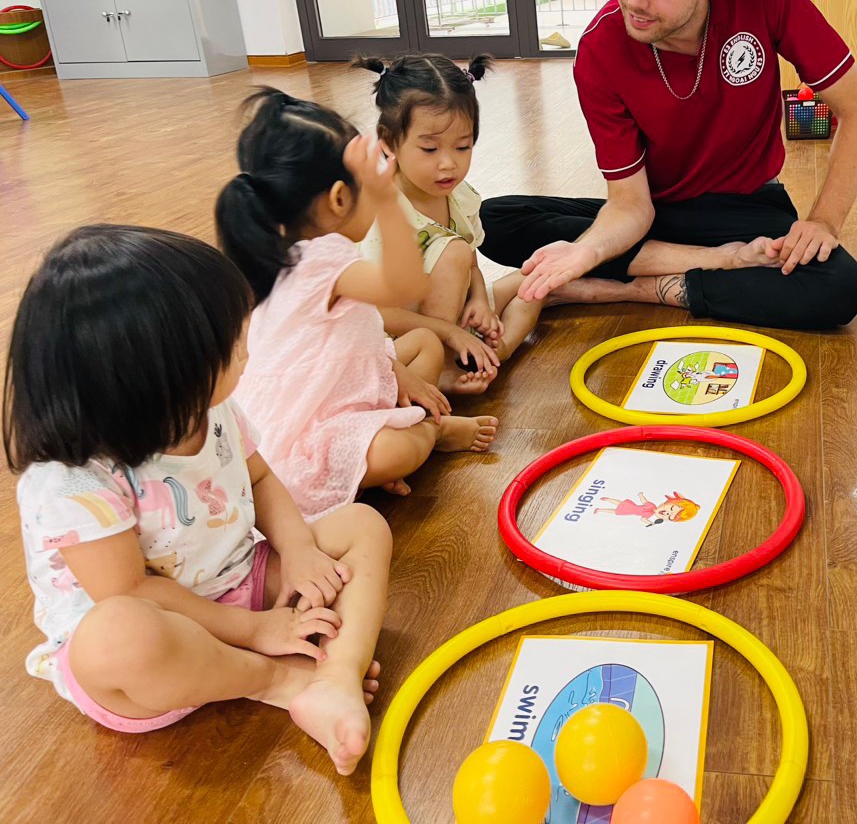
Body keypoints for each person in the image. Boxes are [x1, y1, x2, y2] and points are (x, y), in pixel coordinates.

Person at [3, 225, 391, 775]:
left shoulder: (210, 409)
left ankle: (337, 677)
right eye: (231, 345)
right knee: (119, 637)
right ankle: (277, 681)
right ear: (157, 380)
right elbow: (133, 591)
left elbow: (260, 477)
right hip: (164, 640)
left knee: (361, 525)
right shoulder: (73, 480)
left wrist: (300, 550)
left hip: (238, 578)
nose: (247, 351)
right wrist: (256, 633)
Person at [479, 0, 857, 330]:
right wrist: (587, 250)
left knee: (840, 286)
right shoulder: (599, 48)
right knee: (494, 220)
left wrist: (824, 222)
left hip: (749, 209)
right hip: (653, 216)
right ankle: (702, 267)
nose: (635, 0)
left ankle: (623, 288)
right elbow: (630, 205)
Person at [215, 89, 498, 515]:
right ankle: (433, 434)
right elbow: (405, 286)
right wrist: (387, 201)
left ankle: (382, 453)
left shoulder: (281, 257)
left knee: (424, 342)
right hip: (309, 430)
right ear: (339, 198)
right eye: (366, 188)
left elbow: (347, 343)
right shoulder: (322, 259)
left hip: (336, 386)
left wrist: (398, 373)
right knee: (394, 451)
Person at [353, 53, 543, 393]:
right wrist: (450, 333)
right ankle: (438, 368)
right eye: (429, 149)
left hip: (452, 312)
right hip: (401, 336)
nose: (448, 164)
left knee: (535, 285)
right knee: (453, 252)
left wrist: (479, 302)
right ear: (389, 142)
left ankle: (489, 354)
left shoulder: (460, 195)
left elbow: (471, 264)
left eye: (462, 147)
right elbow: (378, 314)